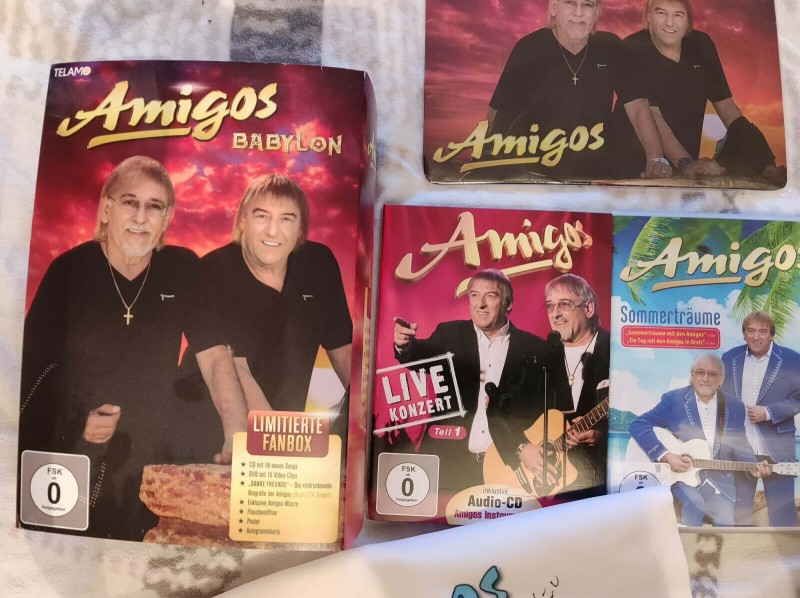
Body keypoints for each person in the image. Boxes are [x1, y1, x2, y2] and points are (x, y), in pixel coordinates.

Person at [18, 155, 248, 541]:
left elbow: (214, 358)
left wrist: (235, 437)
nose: (141, 218)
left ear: (167, 217)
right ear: (107, 209)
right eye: (130, 202)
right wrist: (77, 425)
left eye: (154, 207)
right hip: (75, 454)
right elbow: (30, 377)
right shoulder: (68, 272)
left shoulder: (183, 269)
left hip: (151, 458)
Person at [196, 173, 352, 417]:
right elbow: (237, 372)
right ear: (242, 220)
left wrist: (368, 419)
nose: (272, 231)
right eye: (262, 216)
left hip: (281, 426)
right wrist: (279, 434)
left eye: (286, 219)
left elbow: (344, 353)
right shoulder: (212, 271)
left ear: (300, 229)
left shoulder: (318, 264)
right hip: (211, 421)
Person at [393, 269, 544, 492]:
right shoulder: (450, 334)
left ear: (508, 304)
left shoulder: (533, 348)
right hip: (451, 463)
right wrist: (405, 345)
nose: (480, 304)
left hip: (507, 467)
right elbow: (420, 356)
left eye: (490, 296)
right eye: (474, 295)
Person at [487, 0, 671, 181]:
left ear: (597, 12)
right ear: (554, 8)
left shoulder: (611, 47)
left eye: (587, 5)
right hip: (537, 171)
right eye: (570, 3)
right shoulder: (529, 48)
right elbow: (498, 114)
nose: (579, 12)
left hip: (595, 171)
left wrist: (656, 159)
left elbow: (637, 106)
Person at [607, 0, 783, 181]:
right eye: (661, 13)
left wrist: (760, 159)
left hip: (685, 165)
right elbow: (652, 115)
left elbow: (725, 105)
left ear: (688, 21)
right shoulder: (631, 49)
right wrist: (686, 163)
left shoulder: (701, 45)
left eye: (678, 15)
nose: (669, 23)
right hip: (637, 164)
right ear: (648, 16)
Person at [630, 354, 770, 526]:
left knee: (726, 521)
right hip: (681, 477)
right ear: (692, 375)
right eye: (700, 372)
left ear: (721, 379)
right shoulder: (674, 400)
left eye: (711, 374)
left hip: (718, 481)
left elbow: (741, 445)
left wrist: (753, 466)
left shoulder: (734, 406)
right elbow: (638, 425)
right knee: (694, 507)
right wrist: (666, 456)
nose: (705, 378)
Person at [721, 311, 800, 526]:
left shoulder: (793, 360)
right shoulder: (729, 358)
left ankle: (784, 550)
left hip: (778, 447)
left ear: (771, 335)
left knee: (783, 518)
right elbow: (721, 399)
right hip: (740, 447)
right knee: (738, 516)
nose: (756, 337)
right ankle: (740, 549)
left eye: (763, 331)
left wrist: (768, 412)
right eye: (751, 331)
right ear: (744, 333)